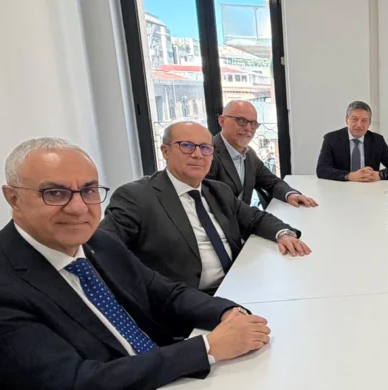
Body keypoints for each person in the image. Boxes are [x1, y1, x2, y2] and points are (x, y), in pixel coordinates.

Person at [0, 138, 271, 390]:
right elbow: (75, 387)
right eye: (54, 193)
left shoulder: (97, 243)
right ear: (13, 198)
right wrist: (207, 348)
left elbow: (165, 293)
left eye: (89, 191)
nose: (78, 207)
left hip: (157, 386)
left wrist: (226, 313)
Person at [101, 122, 311, 292]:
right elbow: (102, 252)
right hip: (184, 302)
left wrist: (284, 233)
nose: (197, 154)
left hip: (238, 283)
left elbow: (254, 218)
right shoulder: (135, 197)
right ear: (165, 151)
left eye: (205, 148)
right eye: (187, 146)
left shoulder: (217, 190)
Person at [208, 99, 318, 208]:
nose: (248, 128)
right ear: (222, 121)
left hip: (246, 219)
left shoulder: (249, 154)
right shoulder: (206, 154)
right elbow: (209, 206)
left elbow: (272, 182)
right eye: (241, 120)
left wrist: (290, 194)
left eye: (253, 123)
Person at [316, 100, 388, 182]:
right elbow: (322, 169)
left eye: (364, 121)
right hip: (340, 188)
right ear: (347, 120)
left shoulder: (377, 140)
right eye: (354, 119)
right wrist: (350, 176)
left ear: (369, 123)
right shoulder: (331, 139)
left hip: (370, 188)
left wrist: (379, 175)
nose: (359, 125)